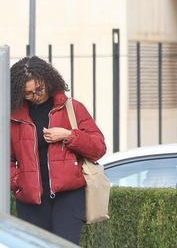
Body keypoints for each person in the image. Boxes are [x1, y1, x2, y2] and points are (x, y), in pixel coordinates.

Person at [9, 56, 107, 244]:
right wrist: (18, 181)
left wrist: (69, 135)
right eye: (28, 93)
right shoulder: (13, 117)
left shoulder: (71, 108)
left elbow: (99, 147)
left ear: (48, 80)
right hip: (31, 202)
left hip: (68, 198)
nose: (35, 95)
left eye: (39, 89)